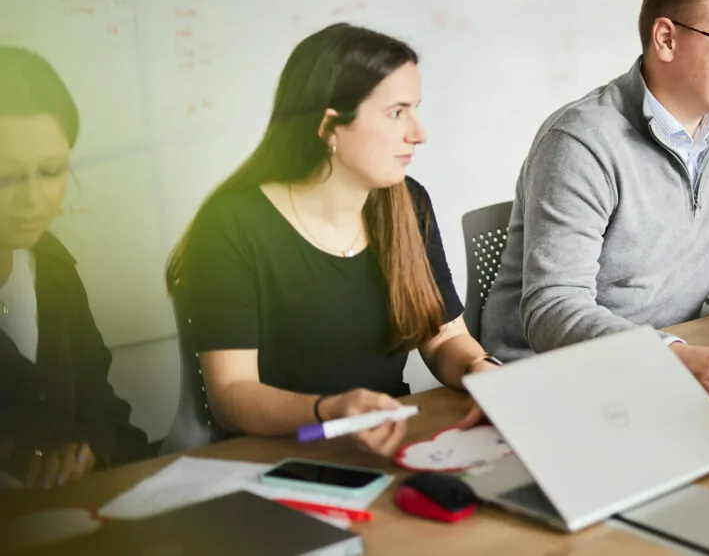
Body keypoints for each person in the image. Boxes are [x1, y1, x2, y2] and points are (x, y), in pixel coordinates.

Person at [480, 0, 709, 410]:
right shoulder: (580, 141)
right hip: (554, 384)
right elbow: (553, 308)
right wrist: (674, 358)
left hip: (667, 366)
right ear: (667, 39)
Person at [165, 23, 497, 458]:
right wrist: (330, 410)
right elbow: (231, 394)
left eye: (415, 109)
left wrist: (481, 369)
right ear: (330, 126)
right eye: (397, 112)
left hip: (385, 444)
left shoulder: (408, 202)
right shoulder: (232, 223)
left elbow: (443, 337)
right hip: (276, 453)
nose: (418, 132)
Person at [0, 47, 150, 489]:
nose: (34, 199)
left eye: (51, 171)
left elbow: (101, 406)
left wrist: (87, 452)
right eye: (5, 176)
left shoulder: (53, 267)